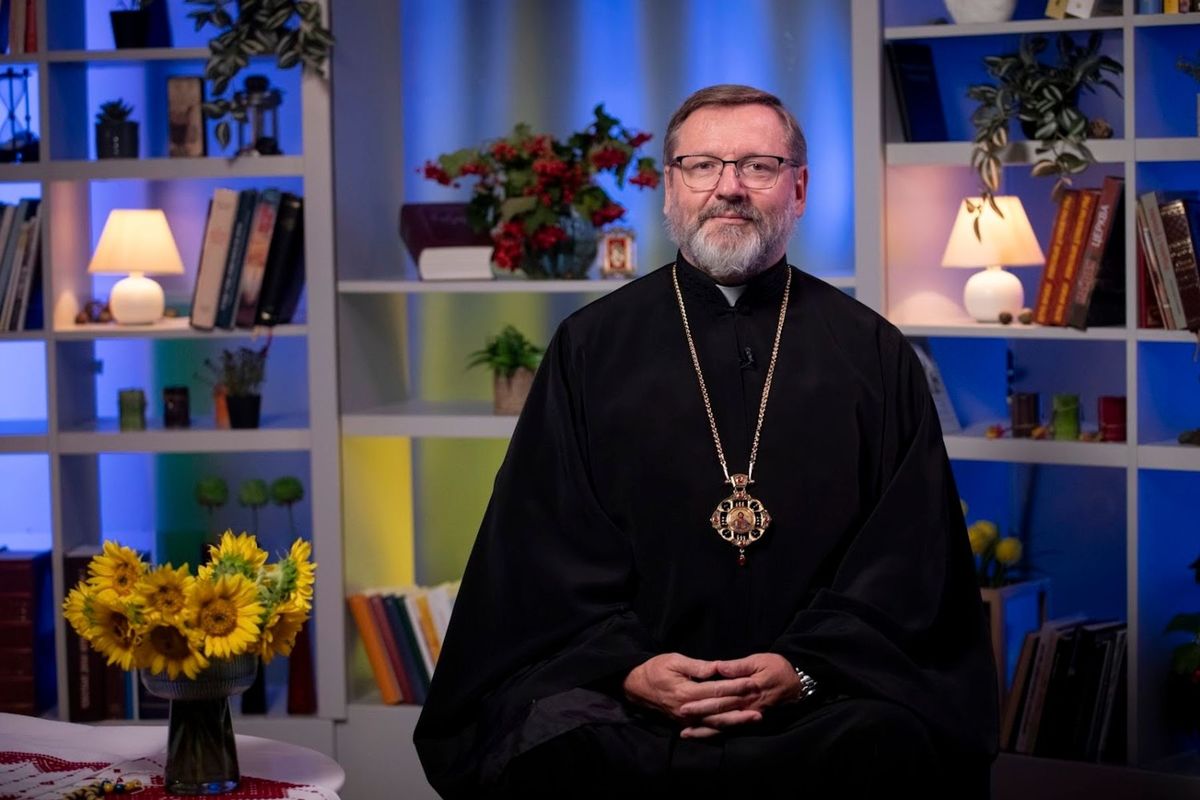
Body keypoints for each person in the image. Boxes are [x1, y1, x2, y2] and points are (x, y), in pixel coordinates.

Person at [414, 84, 999, 798]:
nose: (729, 188)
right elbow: (538, 548)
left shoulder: (872, 352)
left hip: (822, 700)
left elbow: (908, 560)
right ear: (670, 189)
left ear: (799, 188)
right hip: (627, 701)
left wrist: (805, 668)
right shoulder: (590, 347)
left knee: (890, 745)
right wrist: (629, 667)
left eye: (758, 165)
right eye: (702, 166)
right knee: (551, 748)